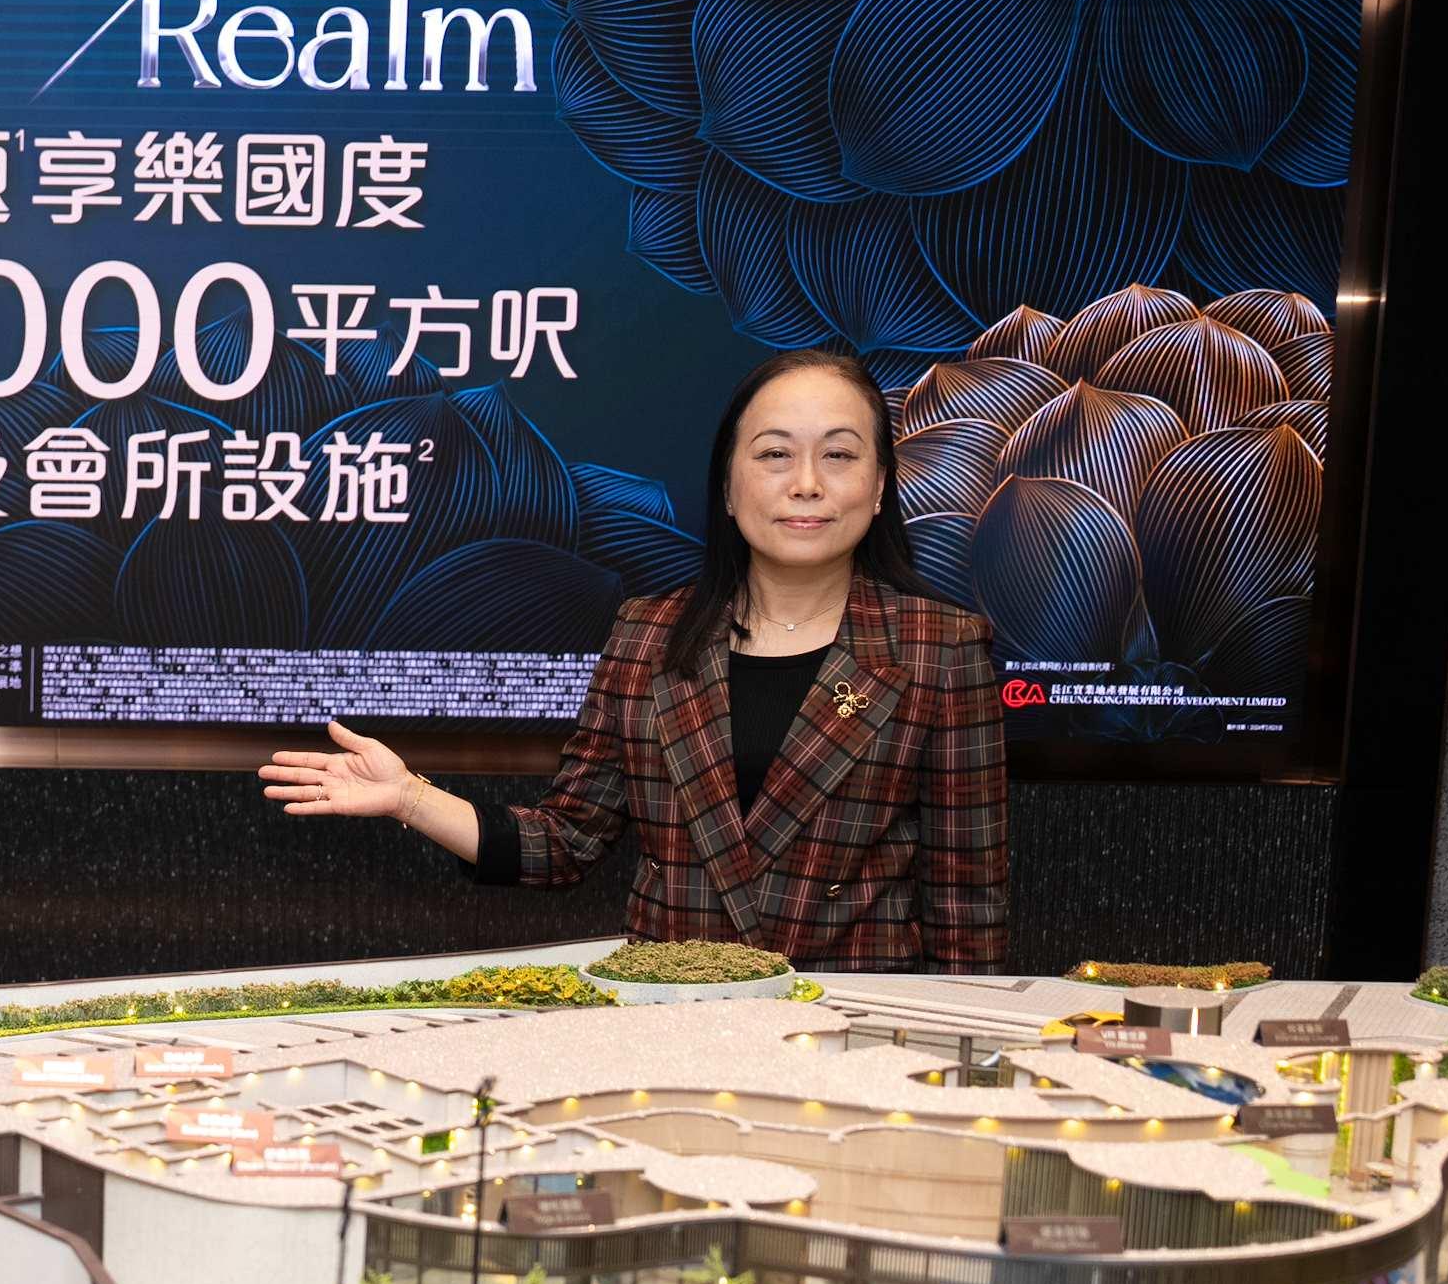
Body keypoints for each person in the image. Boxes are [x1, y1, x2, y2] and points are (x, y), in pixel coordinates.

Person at [258, 345, 1010, 972]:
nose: (806, 483)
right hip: (666, 1025)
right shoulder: (649, 633)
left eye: (838, 455)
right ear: (727, 485)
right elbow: (565, 842)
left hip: (850, 1037)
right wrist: (409, 798)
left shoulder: (941, 649)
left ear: (878, 488)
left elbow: (966, 905)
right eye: (775, 454)